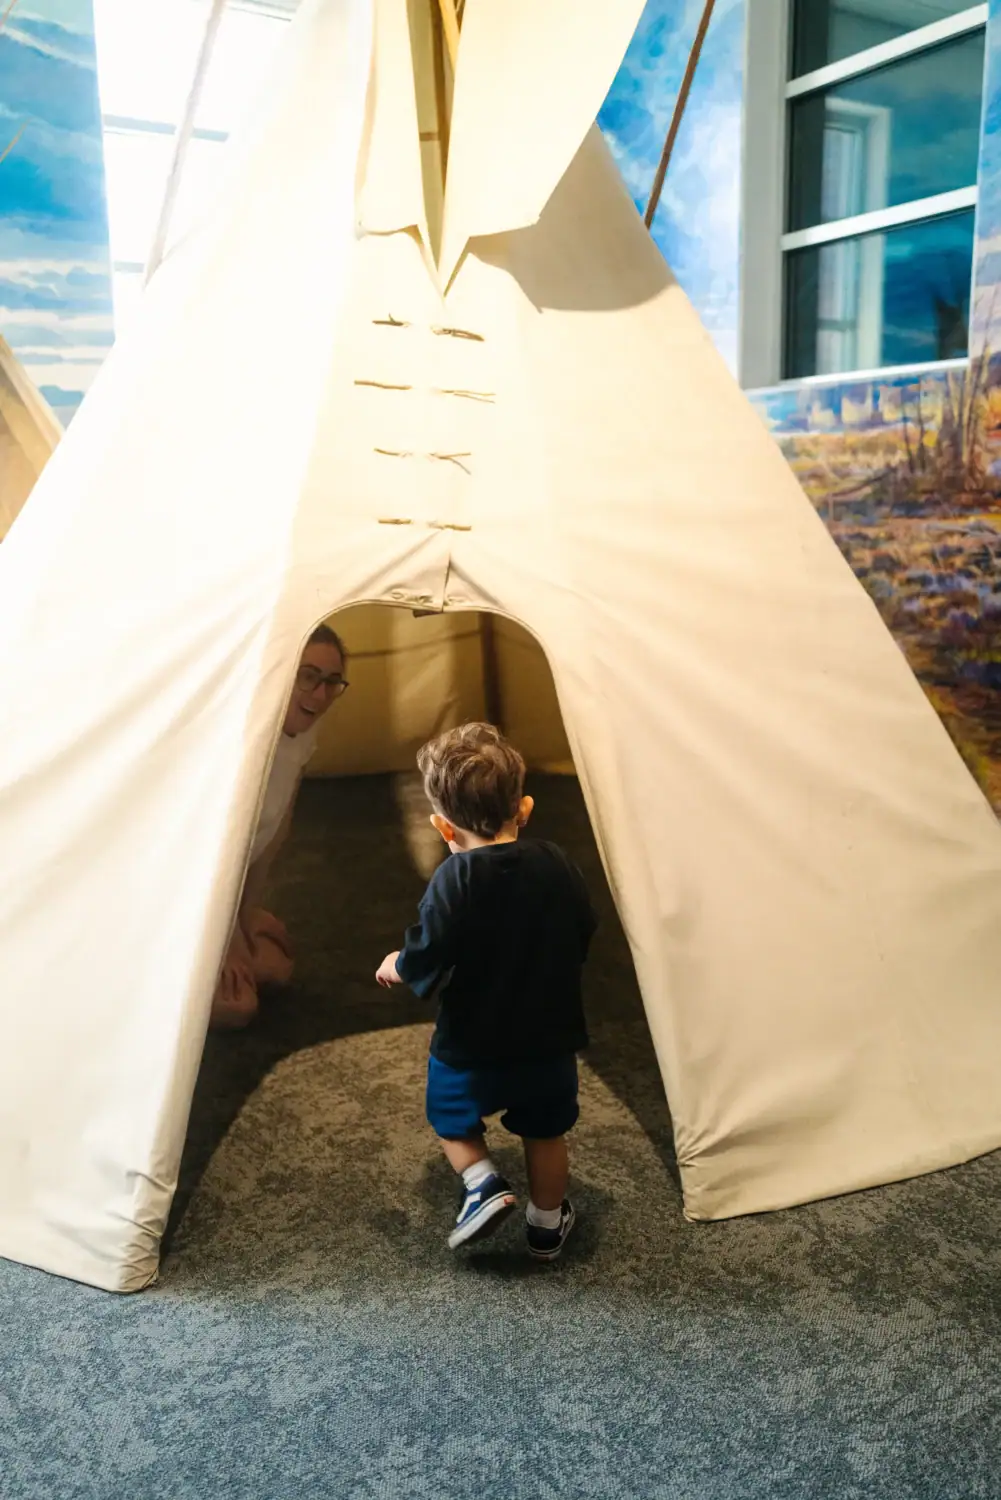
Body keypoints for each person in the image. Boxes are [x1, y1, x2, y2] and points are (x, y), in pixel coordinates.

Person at [376, 722, 597, 1259]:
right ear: (524, 809)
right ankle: (546, 1225)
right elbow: (584, 924)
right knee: (545, 1131)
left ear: (441, 826)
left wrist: (397, 964)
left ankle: (482, 1182)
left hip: (471, 1042)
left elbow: (428, 950)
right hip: (549, 1036)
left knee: (452, 1120)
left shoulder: (454, 880)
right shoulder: (556, 861)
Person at [211, 623, 349, 1030]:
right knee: (238, 1008)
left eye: (331, 682)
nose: (319, 695)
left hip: (227, 897)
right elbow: (209, 859)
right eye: (308, 677)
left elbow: (270, 840)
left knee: (274, 967)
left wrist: (246, 914)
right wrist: (225, 938)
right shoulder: (242, 741)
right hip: (191, 898)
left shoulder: (302, 733)